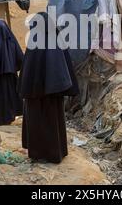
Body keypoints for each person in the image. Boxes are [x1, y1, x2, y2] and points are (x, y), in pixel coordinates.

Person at [18, 12, 79, 164]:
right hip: (54, 95)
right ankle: (56, 153)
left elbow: (28, 70)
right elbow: (63, 67)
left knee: (38, 122)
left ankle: (38, 154)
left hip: (35, 95)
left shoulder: (35, 42)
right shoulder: (57, 40)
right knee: (54, 122)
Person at [0, 19, 24, 125]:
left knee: (0, 97)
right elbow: (20, 57)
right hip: (11, 75)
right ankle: (11, 116)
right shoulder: (12, 41)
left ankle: (1, 118)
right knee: (11, 95)